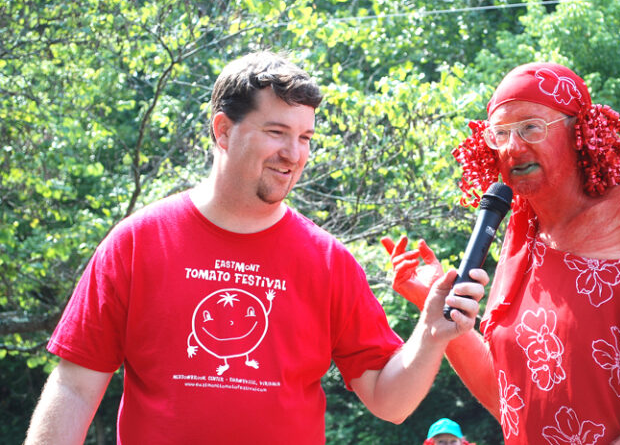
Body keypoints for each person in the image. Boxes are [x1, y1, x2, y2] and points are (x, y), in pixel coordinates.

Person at [24, 50, 488, 445]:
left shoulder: (328, 261)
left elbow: (391, 402)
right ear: (222, 130)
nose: (295, 153)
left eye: (305, 137)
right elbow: (76, 388)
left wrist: (430, 335)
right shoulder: (139, 241)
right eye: (276, 132)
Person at [383, 62, 620, 444]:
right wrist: (432, 301)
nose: (513, 148)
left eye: (531, 127)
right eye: (500, 134)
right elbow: (511, 398)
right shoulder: (519, 238)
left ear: (579, 131)